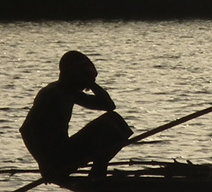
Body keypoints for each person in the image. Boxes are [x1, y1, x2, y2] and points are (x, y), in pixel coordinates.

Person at [20, 51, 133, 181]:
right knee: (108, 124)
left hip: (65, 151)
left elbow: (108, 106)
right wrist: (43, 164)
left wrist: (91, 83)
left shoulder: (70, 93)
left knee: (115, 120)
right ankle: (97, 174)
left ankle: (99, 169)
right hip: (56, 159)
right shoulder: (52, 94)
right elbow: (26, 130)